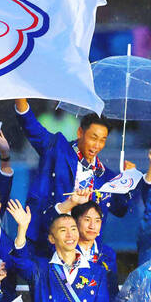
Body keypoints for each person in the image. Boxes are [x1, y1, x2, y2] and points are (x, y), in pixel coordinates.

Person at [13, 98, 136, 254]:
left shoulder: (106, 176)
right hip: (47, 241)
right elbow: (30, 126)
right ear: (80, 133)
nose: (97, 145)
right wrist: (20, 99)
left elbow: (120, 210)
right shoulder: (57, 148)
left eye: (102, 140)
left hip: (85, 252)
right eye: (93, 138)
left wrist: (127, 182)